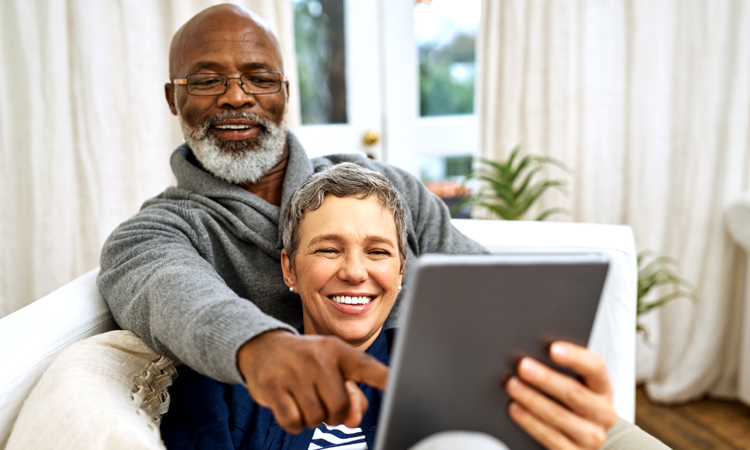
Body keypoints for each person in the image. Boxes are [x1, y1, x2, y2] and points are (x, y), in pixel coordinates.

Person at [98, 4, 668, 449]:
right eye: (206, 80)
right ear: (174, 98)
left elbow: (481, 296)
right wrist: (264, 346)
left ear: (284, 94)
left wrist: (551, 375)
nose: (237, 96)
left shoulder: (383, 185)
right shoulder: (156, 232)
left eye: (258, 77)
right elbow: (174, 292)